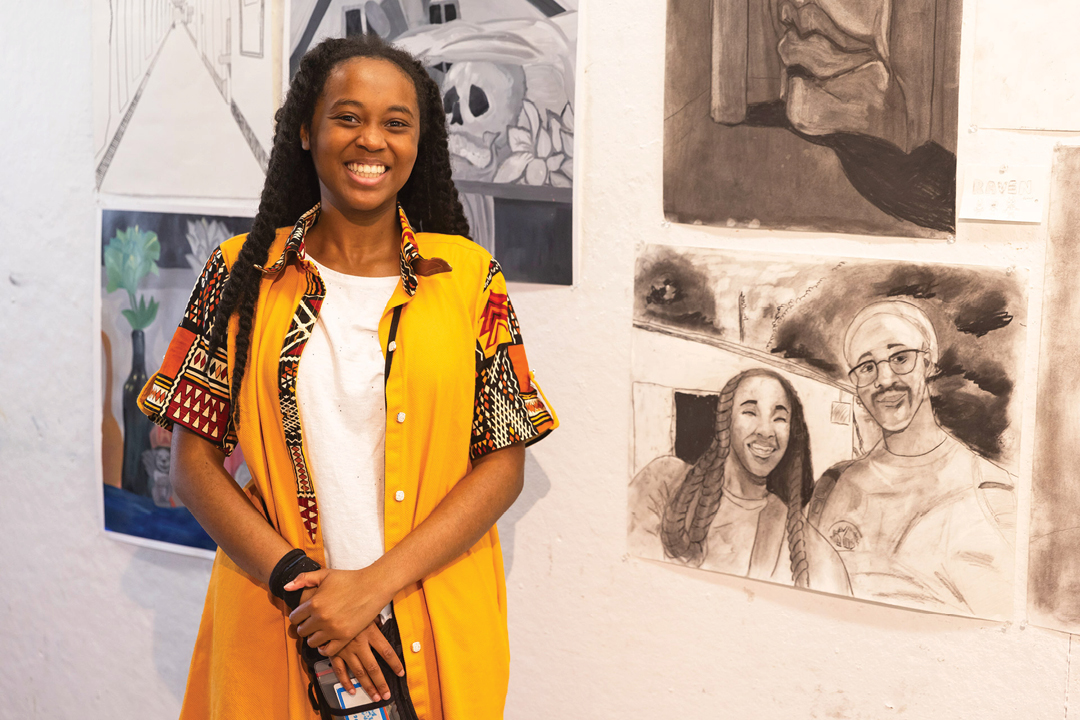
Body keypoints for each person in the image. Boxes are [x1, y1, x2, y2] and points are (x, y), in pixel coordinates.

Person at [138, 34, 556, 720]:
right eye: (348, 116)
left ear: (419, 142)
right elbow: (193, 467)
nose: (372, 140)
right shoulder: (238, 274)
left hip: (434, 621)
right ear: (306, 130)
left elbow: (501, 467)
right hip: (282, 619)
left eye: (396, 123)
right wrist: (308, 589)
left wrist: (371, 588)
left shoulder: (471, 279)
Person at [807, 300, 1015, 617]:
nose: (885, 379)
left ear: (928, 364)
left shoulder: (990, 492)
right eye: (867, 367)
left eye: (900, 358)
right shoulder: (831, 487)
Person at [628, 368, 849, 592]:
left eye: (780, 418)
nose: (766, 430)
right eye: (750, 412)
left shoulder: (795, 533)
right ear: (726, 422)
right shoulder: (663, 480)